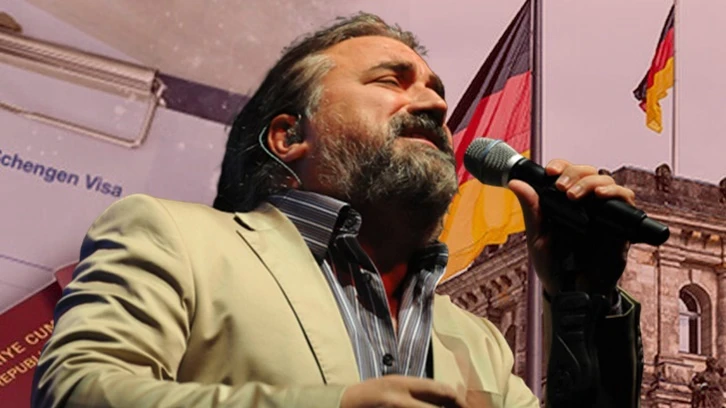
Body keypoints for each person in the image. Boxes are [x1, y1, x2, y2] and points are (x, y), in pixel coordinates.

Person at [32, 13, 642, 408]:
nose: (433, 104)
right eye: (391, 81)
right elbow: (79, 391)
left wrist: (581, 299)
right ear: (289, 136)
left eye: (435, 91)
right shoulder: (174, 238)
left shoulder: (478, 340)